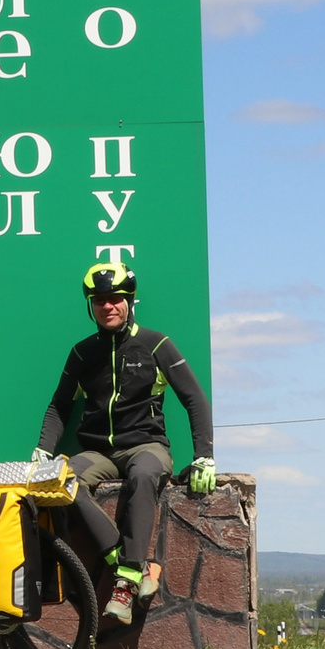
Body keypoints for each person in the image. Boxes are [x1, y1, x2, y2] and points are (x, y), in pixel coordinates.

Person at [31, 261, 215, 627]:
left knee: (145, 474)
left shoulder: (156, 344)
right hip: (98, 450)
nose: (108, 306)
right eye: (99, 300)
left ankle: (126, 579)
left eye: (116, 299)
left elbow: (194, 398)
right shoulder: (83, 353)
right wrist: (42, 451)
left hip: (146, 445)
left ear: (130, 302)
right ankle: (132, 565)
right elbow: (59, 405)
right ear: (91, 305)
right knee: (64, 480)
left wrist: (204, 456)